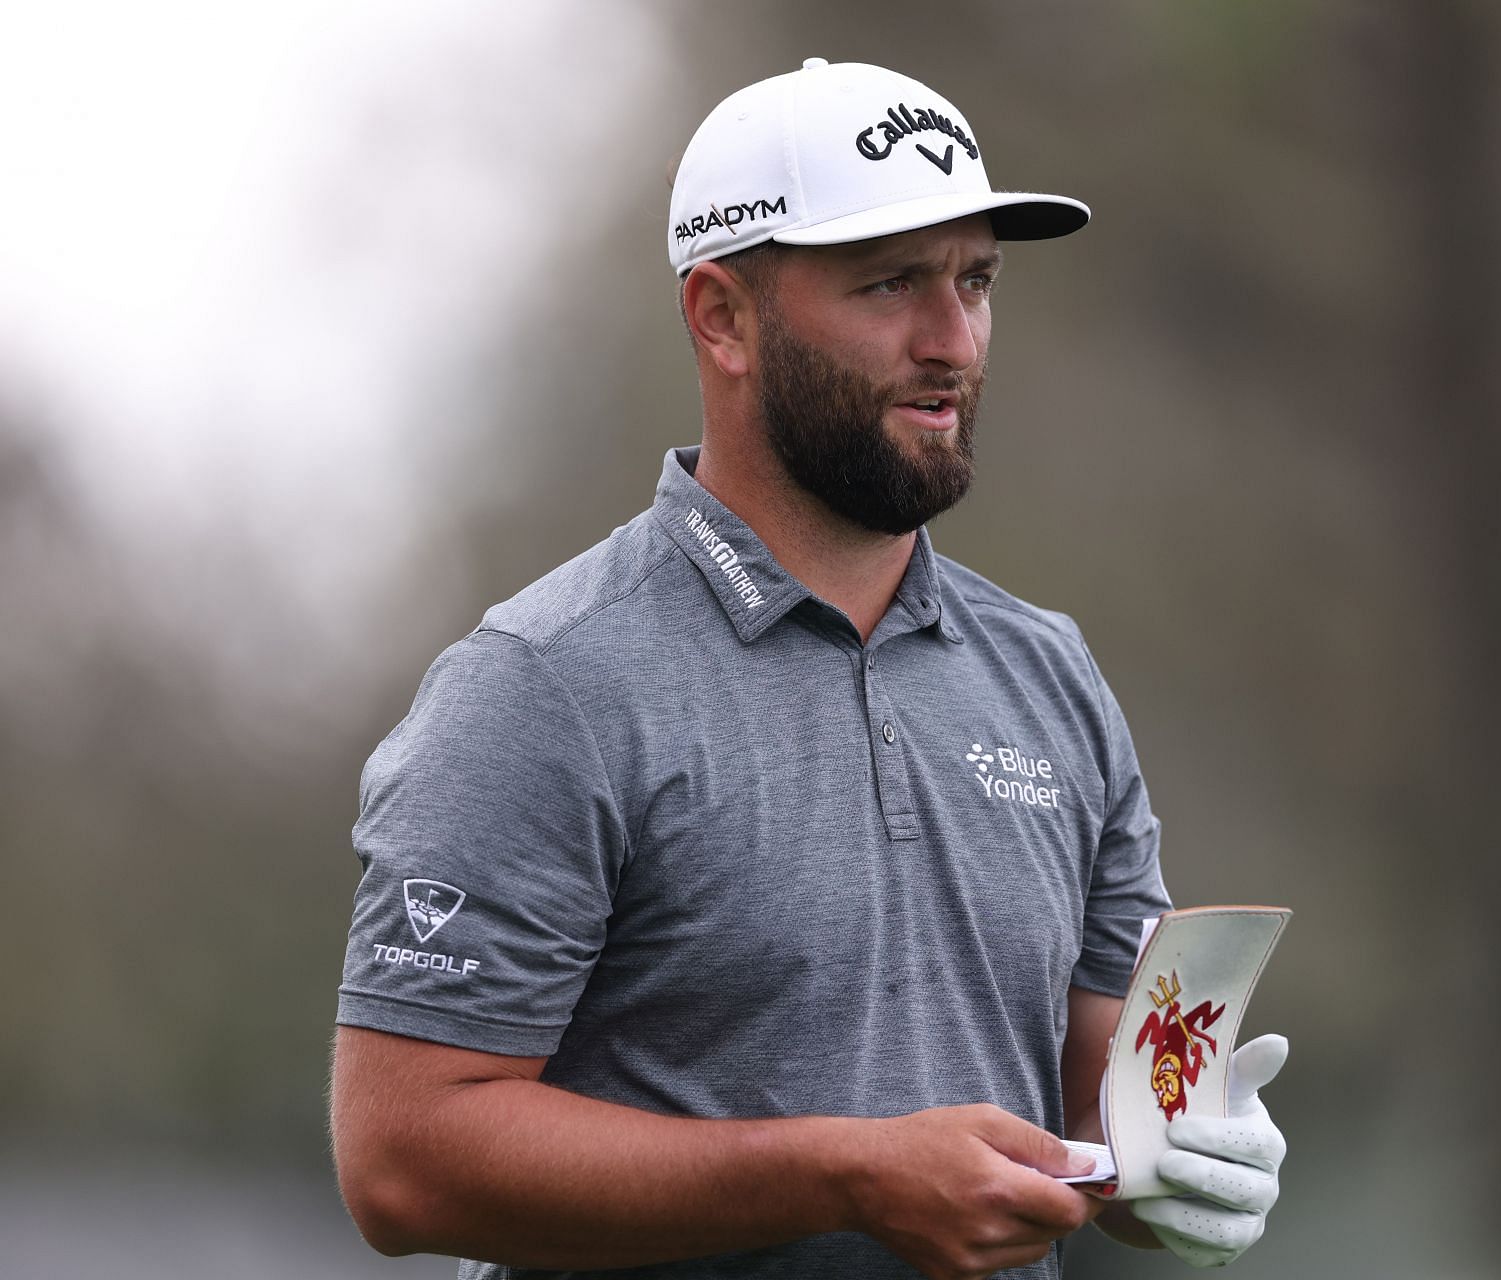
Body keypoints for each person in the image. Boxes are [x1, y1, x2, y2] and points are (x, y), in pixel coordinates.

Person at [329, 57, 1287, 1280]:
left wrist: (1182, 1161)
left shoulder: (1051, 678)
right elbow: (404, 1159)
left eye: (976, 280)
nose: (953, 341)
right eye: (890, 283)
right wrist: (844, 1174)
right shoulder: (545, 684)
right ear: (722, 317)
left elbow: (1101, 1112)